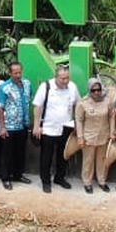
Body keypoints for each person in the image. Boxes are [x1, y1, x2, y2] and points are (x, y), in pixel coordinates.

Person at [32, 66, 81, 194]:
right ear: (56, 77)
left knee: (63, 156)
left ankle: (60, 178)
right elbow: (38, 107)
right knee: (46, 157)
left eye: (67, 78)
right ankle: (46, 181)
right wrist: (36, 126)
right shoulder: (46, 86)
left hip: (66, 127)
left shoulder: (72, 87)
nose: (65, 81)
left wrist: (77, 123)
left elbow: (78, 105)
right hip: (48, 128)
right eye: (62, 78)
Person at [75, 78, 116, 194]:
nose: (97, 92)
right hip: (88, 137)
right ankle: (87, 182)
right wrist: (80, 137)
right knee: (88, 161)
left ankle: (102, 181)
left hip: (104, 135)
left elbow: (112, 116)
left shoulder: (107, 101)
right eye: (93, 90)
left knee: (102, 160)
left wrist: (112, 131)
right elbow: (79, 120)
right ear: (89, 90)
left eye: (98, 89)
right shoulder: (83, 103)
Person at [0, 62, 33, 190]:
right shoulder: (4, 88)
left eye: (19, 72)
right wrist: (2, 127)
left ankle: (18, 174)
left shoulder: (27, 84)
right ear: (10, 73)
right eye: (15, 73)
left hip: (23, 125)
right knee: (7, 154)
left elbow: (28, 101)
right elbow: (0, 108)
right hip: (10, 126)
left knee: (20, 152)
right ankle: (5, 178)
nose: (18, 75)